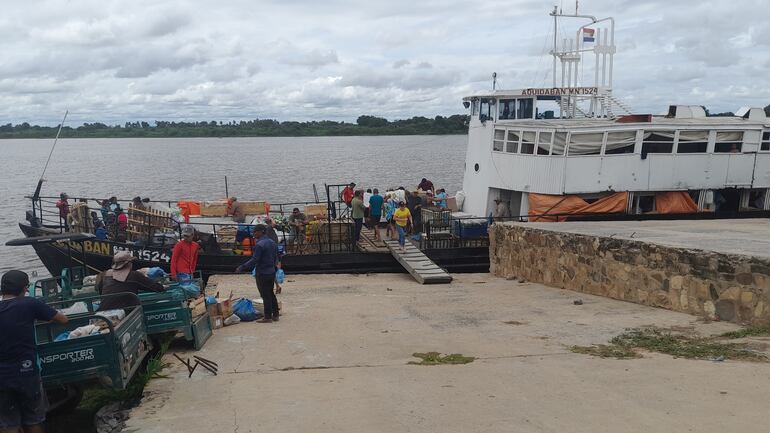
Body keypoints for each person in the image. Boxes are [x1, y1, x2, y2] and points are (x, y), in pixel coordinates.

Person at [0, 270, 68, 433]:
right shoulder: (29, 303)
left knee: (8, 423)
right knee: (34, 419)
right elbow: (63, 319)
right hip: (27, 371)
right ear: (24, 288)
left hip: (2, 375)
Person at [235, 224, 279, 323]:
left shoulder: (259, 245)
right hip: (271, 272)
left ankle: (267, 317)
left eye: (255, 232)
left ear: (261, 232)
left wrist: (242, 267)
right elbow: (276, 257)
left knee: (265, 294)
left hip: (262, 272)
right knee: (271, 293)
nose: (254, 234)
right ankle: (275, 315)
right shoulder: (272, 242)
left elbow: (254, 260)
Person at [96, 252, 166, 311]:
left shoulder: (105, 274)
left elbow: (100, 289)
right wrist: (162, 287)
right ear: (129, 264)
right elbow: (152, 286)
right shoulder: (134, 275)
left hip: (103, 310)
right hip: (127, 311)